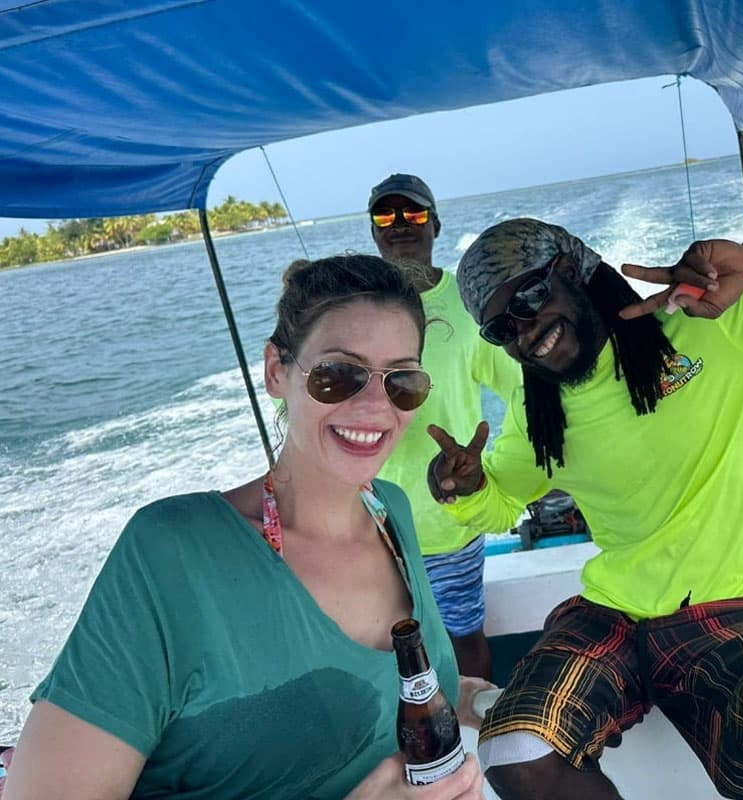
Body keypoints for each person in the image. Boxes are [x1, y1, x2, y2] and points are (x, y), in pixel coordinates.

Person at [426, 218, 743, 800]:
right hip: (614, 614)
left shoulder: (716, 327)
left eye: (529, 299)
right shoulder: (540, 414)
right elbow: (501, 504)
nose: (524, 334)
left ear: (574, 269)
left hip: (740, 604)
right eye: (501, 329)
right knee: (512, 749)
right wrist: (463, 489)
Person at [3, 255, 486, 800]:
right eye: (338, 374)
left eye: (402, 380)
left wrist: (468, 697)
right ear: (277, 371)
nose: (376, 405)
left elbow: (390, 694)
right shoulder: (172, 552)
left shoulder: (391, 513)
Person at [367, 174, 521, 680]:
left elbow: (521, 388)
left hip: (449, 519)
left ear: (435, 223)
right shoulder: (357, 304)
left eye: (412, 214)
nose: (399, 226)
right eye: (385, 217)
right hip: (369, 523)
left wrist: (493, 471)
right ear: (374, 232)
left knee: (464, 641)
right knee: (383, 647)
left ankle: (478, 748)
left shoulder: (469, 304)